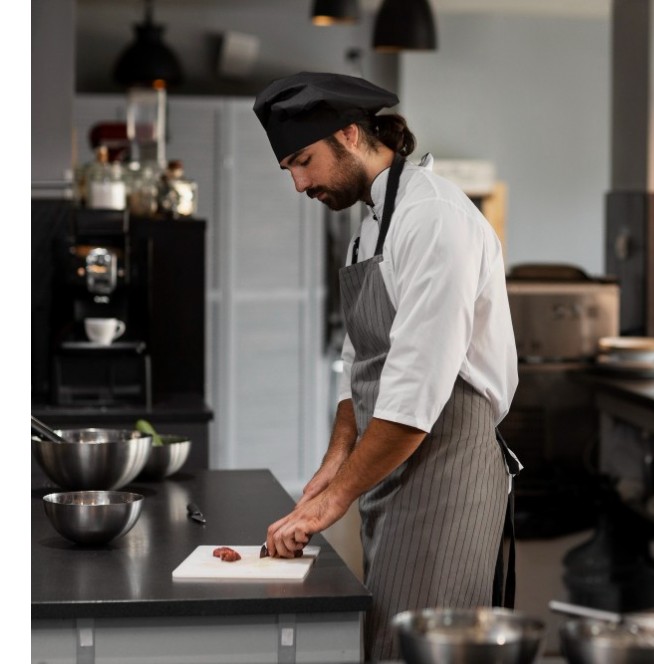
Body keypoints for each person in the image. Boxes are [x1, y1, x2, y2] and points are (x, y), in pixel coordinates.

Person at [252, 72, 521, 662]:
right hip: (393, 465)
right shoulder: (371, 227)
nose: (299, 184)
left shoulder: (434, 219)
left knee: (418, 649)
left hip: (446, 465)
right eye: (289, 169)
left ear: (350, 135)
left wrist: (334, 502)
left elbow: (415, 393)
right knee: (390, 641)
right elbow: (361, 363)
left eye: (304, 161)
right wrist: (334, 464)